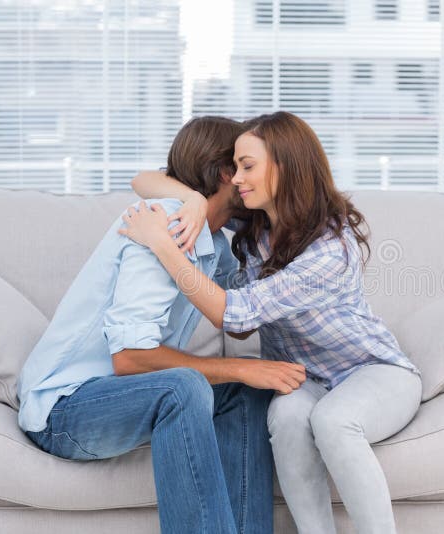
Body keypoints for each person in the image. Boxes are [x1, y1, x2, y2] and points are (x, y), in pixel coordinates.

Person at [122, 111, 423, 534]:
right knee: (284, 417)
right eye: (236, 167)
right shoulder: (259, 221)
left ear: (285, 166)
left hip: (373, 371)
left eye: (248, 167)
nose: (237, 180)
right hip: (304, 378)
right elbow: (142, 179)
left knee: (333, 420)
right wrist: (191, 201)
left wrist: (161, 243)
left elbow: (236, 314)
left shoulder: (330, 251)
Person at [16, 116, 307, 534]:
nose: (251, 178)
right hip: (65, 410)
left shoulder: (214, 239)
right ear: (227, 174)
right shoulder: (161, 222)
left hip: (123, 396)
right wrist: (242, 367)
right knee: (183, 385)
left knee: (245, 396)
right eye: (243, 167)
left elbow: (239, 324)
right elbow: (130, 358)